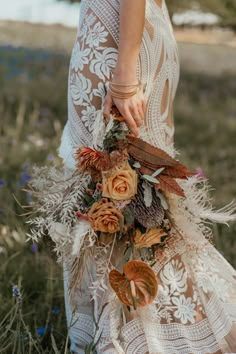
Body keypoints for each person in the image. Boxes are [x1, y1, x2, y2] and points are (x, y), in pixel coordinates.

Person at [59, 0, 236, 352]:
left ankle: (152, 338)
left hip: (117, 41)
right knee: (133, 196)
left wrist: (125, 73)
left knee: (120, 192)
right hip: (131, 30)